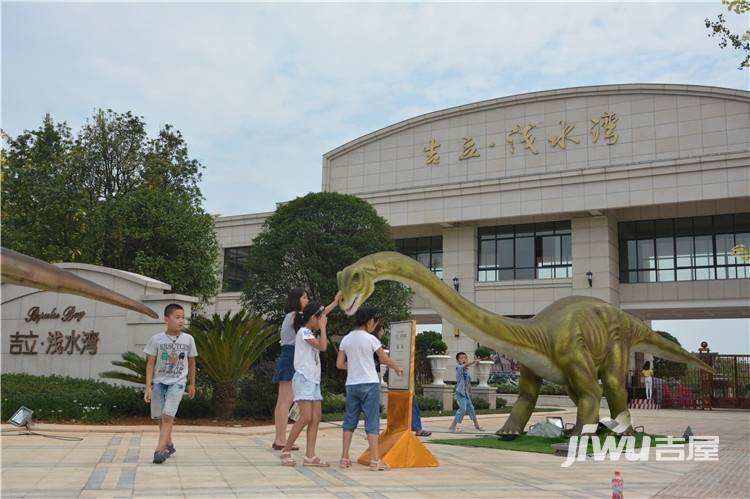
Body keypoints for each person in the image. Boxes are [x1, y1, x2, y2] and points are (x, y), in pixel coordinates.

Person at [271, 289, 340, 450]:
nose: (307, 300)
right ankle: (280, 439)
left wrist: (335, 303)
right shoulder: (294, 316)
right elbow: (317, 315)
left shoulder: (296, 318)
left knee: (285, 400)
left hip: (293, 357)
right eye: (304, 297)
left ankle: (280, 439)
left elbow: (318, 315)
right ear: (296, 299)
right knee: (285, 401)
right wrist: (334, 303)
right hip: (291, 357)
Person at [337, 307, 403, 470]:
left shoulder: (346, 339)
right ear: (369, 321)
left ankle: (344, 458)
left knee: (349, 421)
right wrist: (396, 367)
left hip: (352, 384)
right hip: (370, 383)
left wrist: (354, 367)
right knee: (372, 422)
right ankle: (375, 460)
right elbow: (383, 358)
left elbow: (339, 364)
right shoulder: (371, 339)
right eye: (374, 322)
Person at [143, 303, 197, 464]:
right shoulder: (156, 339)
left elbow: (192, 362)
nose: (182, 321)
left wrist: (192, 384)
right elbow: (150, 363)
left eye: (183, 317)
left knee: (168, 416)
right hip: (159, 382)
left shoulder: (188, 339)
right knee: (160, 417)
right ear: (166, 319)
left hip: (178, 383)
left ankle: (160, 450)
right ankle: (169, 443)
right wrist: (148, 386)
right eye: (177, 317)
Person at [280, 301, 332, 467]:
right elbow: (323, 347)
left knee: (316, 418)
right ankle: (286, 450)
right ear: (312, 318)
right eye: (319, 318)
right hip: (304, 379)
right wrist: (323, 327)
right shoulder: (303, 332)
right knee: (306, 417)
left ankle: (310, 456)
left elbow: (322, 345)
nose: (322, 321)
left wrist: (334, 304)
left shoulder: (310, 332)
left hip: (313, 380)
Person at [369, 321, 430, 437]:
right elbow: (383, 359)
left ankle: (375, 432)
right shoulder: (373, 341)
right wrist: (396, 367)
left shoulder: (367, 340)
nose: (383, 332)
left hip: (371, 378)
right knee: (372, 406)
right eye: (382, 329)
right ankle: (374, 432)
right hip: (374, 377)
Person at [448, 352, 483, 433]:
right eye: (461, 358)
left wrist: (470, 392)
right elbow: (465, 365)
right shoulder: (458, 367)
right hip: (460, 393)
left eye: (465, 358)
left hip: (466, 393)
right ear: (457, 360)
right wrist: (474, 361)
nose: (464, 359)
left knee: (471, 409)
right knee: (463, 409)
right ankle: (452, 426)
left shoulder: (467, 371)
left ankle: (477, 426)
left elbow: (468, 383)